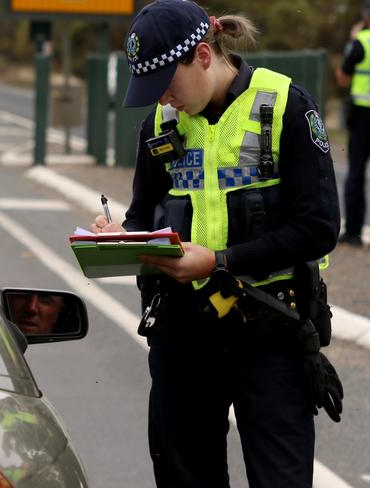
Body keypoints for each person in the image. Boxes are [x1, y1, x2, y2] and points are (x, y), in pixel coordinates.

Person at [91, 1, 343, 486]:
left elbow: (318, 227)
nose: (162, 98)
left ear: (203, 55)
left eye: (167, 82)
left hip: (272, 328)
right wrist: (119, 237)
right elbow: (144, 216)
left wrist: (220, 261)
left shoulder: (286, 106)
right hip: (182, 335)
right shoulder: (159, 127)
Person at [335, 0, 370, 247]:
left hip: (363, 116)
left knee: (356, 172)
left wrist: (351, 41)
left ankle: (354, 233)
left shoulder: (362, 42)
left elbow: (343, 79)